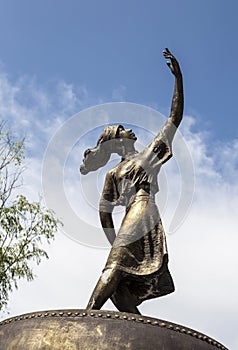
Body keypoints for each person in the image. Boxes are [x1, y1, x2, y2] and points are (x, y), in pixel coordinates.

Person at [80, 48, 183, 315]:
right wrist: (117, 243)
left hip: (144, 208)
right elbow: (104, 214)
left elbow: (173, 119)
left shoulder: (149, 156)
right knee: (118, 286)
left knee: (113, 269)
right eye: (124, 129)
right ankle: (137, 328)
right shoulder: (113, 174)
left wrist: (178, 80)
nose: (130, 129)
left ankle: (86, 315)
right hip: (133, 215)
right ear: (117, 139)